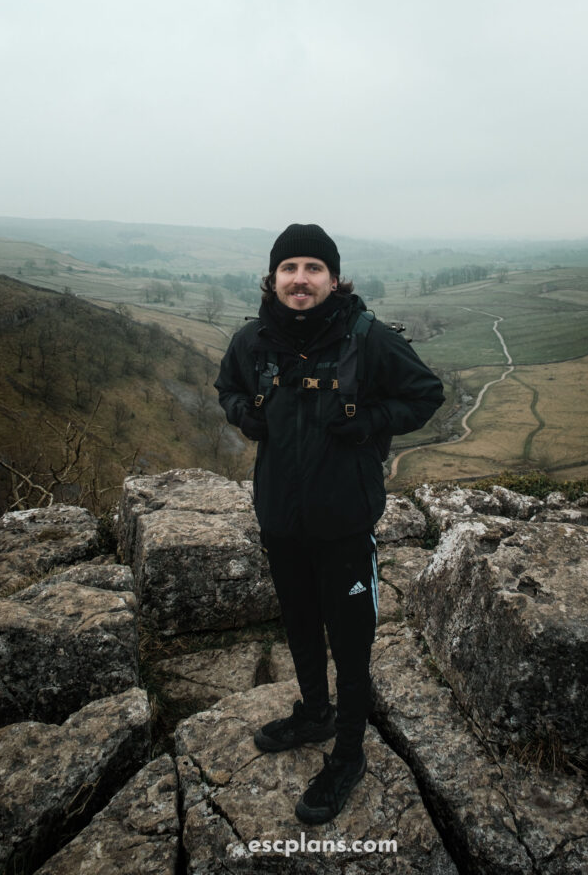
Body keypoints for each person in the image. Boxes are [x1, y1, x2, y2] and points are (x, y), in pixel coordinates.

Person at [215, 223, 444, 824]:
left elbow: (425, 394)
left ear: (334, 278)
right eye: (290, 268)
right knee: (298, 622)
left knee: (350, 641)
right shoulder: (253, 340)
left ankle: (348, 753)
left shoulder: (367, 339)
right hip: (280, 519)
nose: (300, 279)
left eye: (314, 268)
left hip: (344, 521)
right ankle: (314, 713)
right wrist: (246, 415)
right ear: (274, 278)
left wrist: (369, 421)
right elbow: (228, 389)